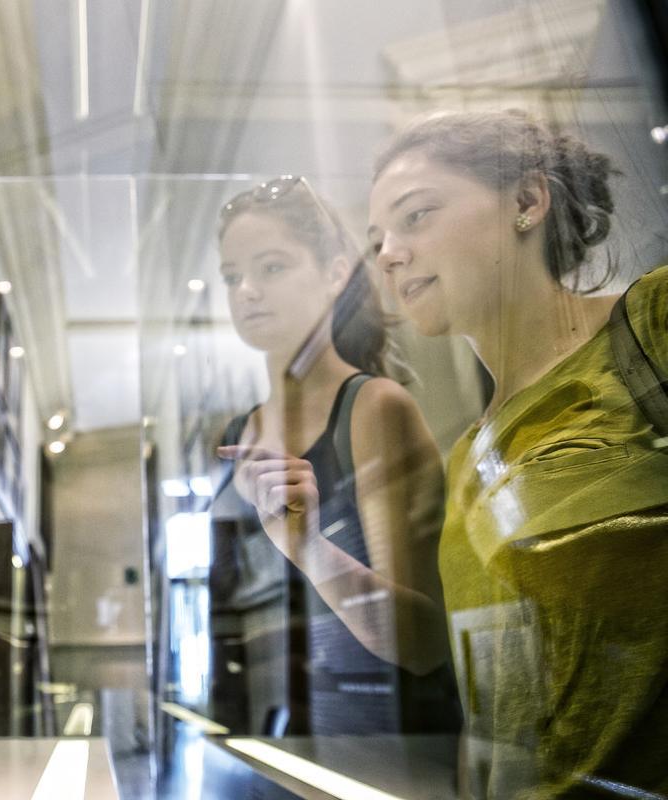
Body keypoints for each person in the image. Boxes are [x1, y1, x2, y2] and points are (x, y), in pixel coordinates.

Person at [367, 109, 668, 797]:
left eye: (415, 216)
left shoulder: (653, 323)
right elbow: (498, 703)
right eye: (378, 237)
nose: (387, 253)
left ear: (528, 202)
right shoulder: (469, 455)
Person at [212, 176, 461, 736]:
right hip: (273, 740)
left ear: (334, 273)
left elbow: (424, 642)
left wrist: (310, 548)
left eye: (271, 267)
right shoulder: (236, 433)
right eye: (232, 276)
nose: (246, 290)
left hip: (387, 748)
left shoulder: (373, 409)